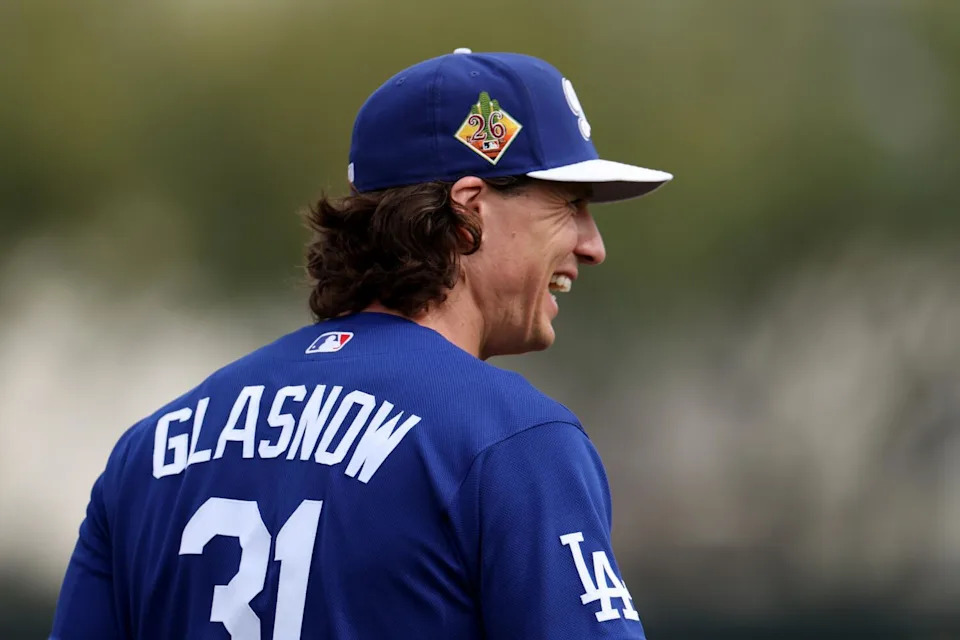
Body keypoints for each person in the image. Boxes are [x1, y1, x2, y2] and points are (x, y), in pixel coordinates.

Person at [51, 49, 672, 639]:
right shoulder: (511, 442)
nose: (593, 245)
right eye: (569, 205)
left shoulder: (149, 451)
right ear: (469, 212)